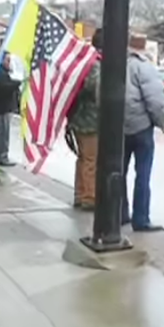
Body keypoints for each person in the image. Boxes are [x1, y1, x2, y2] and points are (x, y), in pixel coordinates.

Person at [121, 33, 164, 232]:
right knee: (143, 175)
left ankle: (119, 213)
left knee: (118, 173)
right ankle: (141, 219)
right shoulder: (145, 67)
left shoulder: (116, 64)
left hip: (119, 128)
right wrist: (159, 122)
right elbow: (155, 100)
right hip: (141, 128)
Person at [67, 28, 103, 210]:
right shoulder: (96, 65)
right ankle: (89, 197)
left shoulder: (84, 62)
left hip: (79, 118)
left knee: (83, 159)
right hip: (90, 120)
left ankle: (80, 194)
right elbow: (95, 90)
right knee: (90, 160)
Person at [0, 51, 20, 167]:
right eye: (7, 60)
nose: (9, 63)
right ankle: (2, 155)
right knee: (3, 131)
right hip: (2, 107)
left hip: (2, 106)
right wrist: (16, 84)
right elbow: (3, 87)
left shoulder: (1, 71)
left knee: (0, 131)